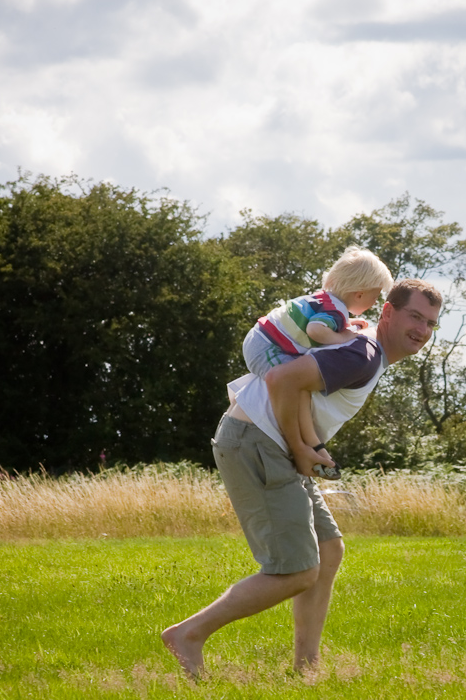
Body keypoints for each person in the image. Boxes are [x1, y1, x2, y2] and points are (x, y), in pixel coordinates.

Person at [161, 278, 442, 678]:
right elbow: (280, 379)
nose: (422, 329)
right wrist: (300, 449)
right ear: (388, 312)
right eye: (415, 316)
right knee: (296, 570)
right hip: (257, 440)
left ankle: (306, 669)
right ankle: (188, 634)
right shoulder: (362, 353)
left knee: (328, 551)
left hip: (270, 440)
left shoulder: (366, 349)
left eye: (431, 323)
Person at [242, 246, 393, 471]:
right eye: (375, 296)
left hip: (260, 338)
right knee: (297, 388)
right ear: (359, 294)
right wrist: (343, 337)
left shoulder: (329, 302)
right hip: (267, 348)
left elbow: (316, 322)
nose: (374, 303)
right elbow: (315, 330)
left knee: (299, 385)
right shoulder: (335, 312)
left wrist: (347, 325)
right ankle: (307, 445)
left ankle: (313, 445)